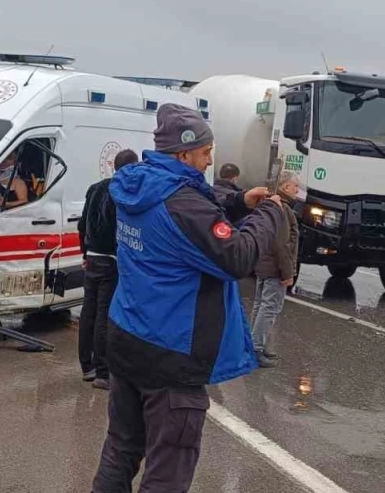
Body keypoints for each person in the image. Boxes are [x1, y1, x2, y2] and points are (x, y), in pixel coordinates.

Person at [93, 103, 284, 492]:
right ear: (182, 153)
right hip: (171, 356)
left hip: (127, 338)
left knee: (121, 448)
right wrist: (269, 213)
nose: (208, 162)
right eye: (204, 153)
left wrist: (236, 201)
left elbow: (186, 201)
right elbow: (237, 258)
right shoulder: (183, 206)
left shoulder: (135, 184)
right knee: (169, 469)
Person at [78, 148, 140, 390]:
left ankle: (87, 366)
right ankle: (103, 372)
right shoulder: (121, 192)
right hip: (111, 260)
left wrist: (84, 252)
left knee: (88, 313)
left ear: (114, 166)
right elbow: (118, 228)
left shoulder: (95, 188)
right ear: (133, 168)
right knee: (105, 315)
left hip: (92, 258)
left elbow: (82, 224)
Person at [250, 169, 300, 368]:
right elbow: (283, 244)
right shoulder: (284, 209)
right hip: (275, 267)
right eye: (296, 186)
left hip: (263, 263)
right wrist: (287, 273)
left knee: (260, 305)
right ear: (286, 186)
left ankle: (254, 344)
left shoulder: (268, 204)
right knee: (269, 308)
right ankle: (256, 348)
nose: (298, 190)